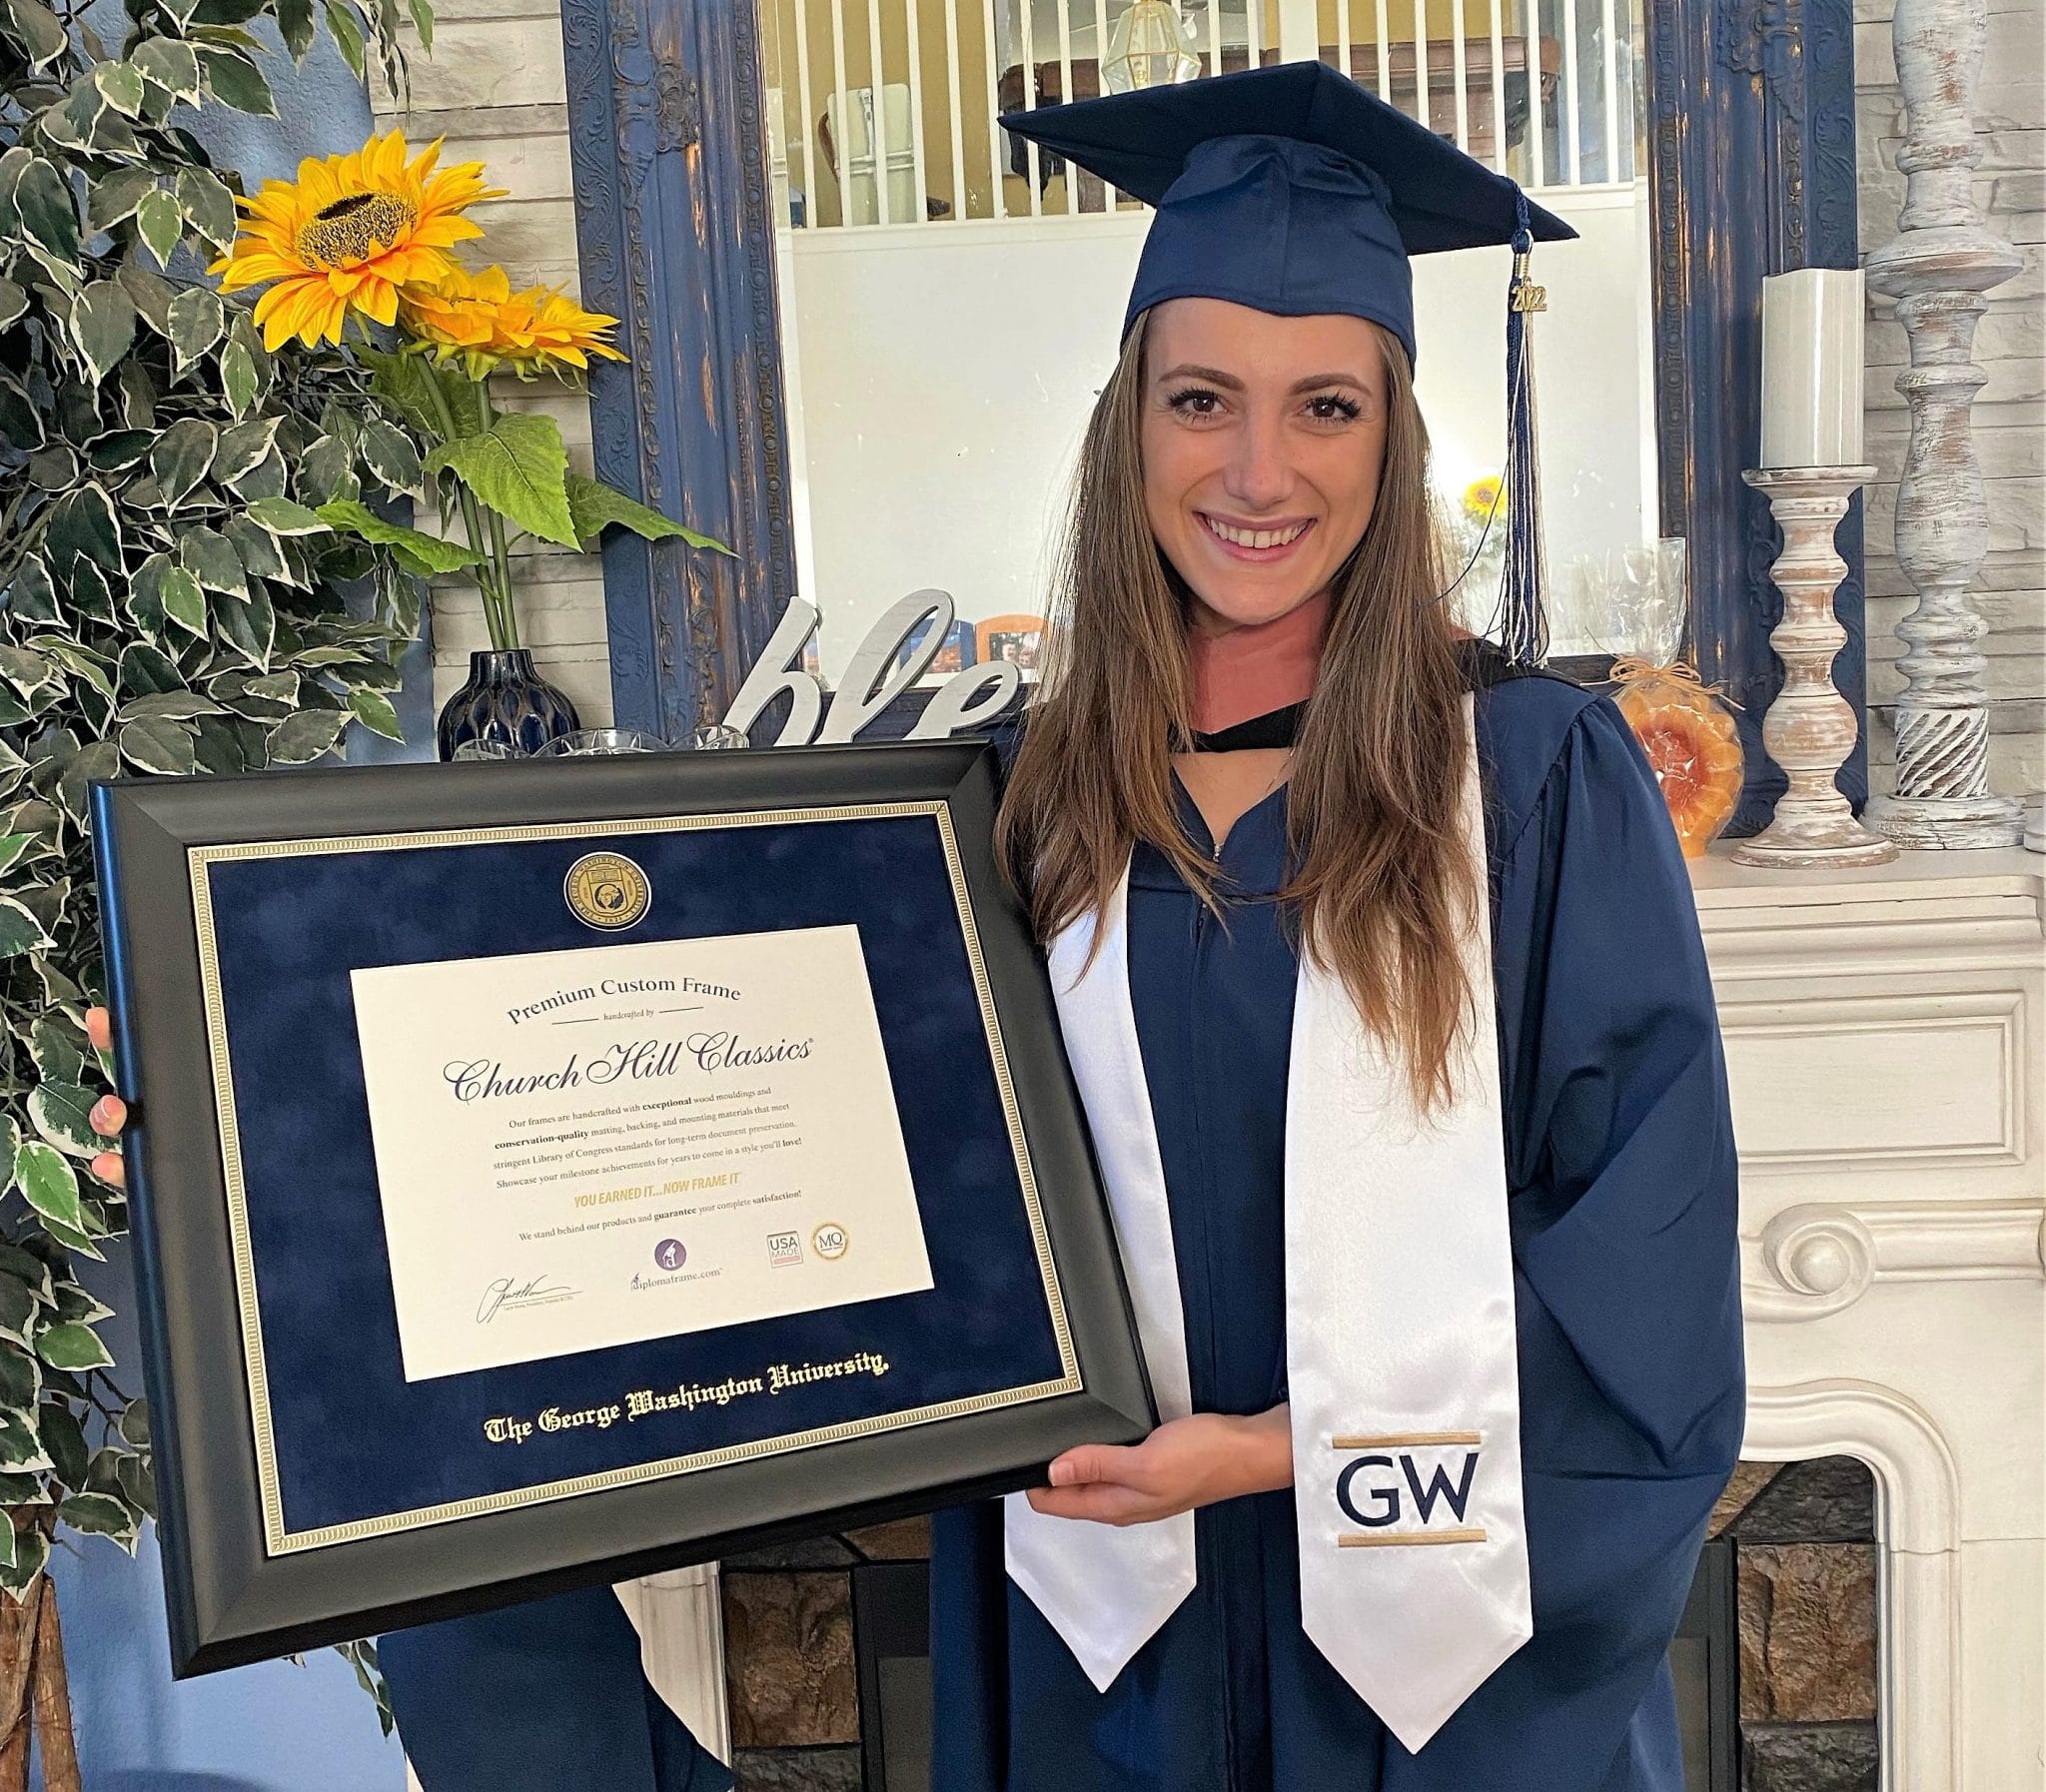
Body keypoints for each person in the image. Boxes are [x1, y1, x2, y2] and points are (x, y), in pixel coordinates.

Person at [87, 58, 1741, 1792]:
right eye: (1201, 399)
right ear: (1130, 424)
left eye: (1325, 404)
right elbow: (699, 1149)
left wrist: (1269, 1453)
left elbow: (1648, 1284)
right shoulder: (991, 814)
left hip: (1459, 1672)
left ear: (1394, 437)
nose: (1260, 467)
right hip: (1099, 1656)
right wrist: (256, 1152)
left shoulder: (1537, 784)